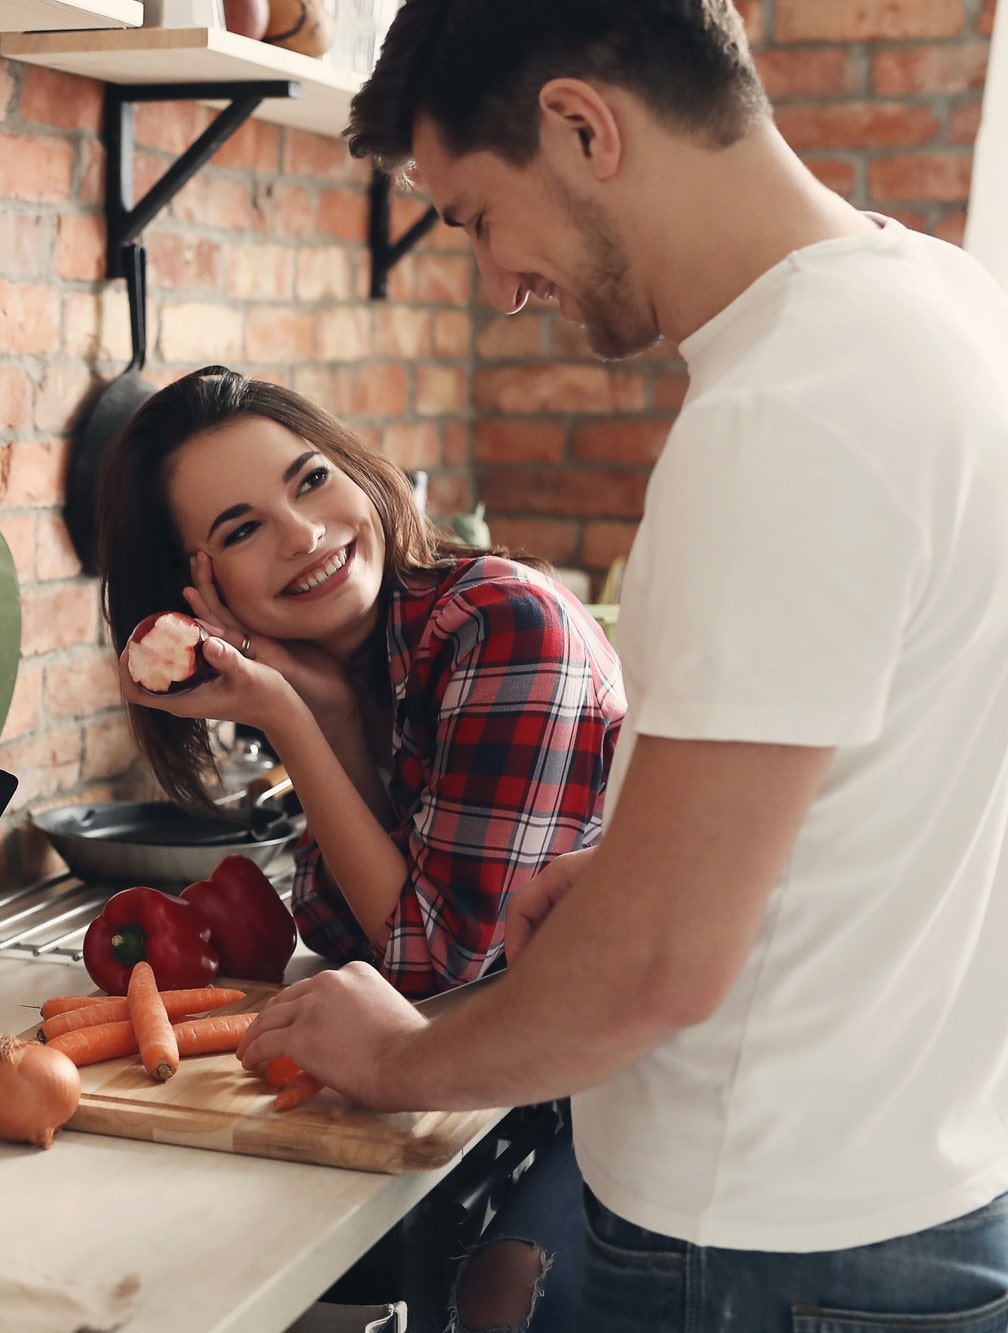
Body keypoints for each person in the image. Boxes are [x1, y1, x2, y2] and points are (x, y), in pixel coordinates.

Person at [236, 2, 1008, 1330]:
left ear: (583, 127)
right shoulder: (945, 307)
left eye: (478, 217)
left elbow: (660, 969)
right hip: (915, 1198)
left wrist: (407, 1056)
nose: (500, 284)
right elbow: (907, 759)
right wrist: (643, 858)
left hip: (761, 1253)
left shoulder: (787, 415)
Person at [99, 366, 624, 1332]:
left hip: (630, 1104)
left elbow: (432, 966)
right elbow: (353, 934)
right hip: (520, 1091)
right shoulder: (371, 666)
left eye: (309, 480)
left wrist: (292, 720)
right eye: (241, 529)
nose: (303, 533)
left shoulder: (506, 627)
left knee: (505, 1296)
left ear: (357, 471)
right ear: (196, 589)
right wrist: (332, 711)